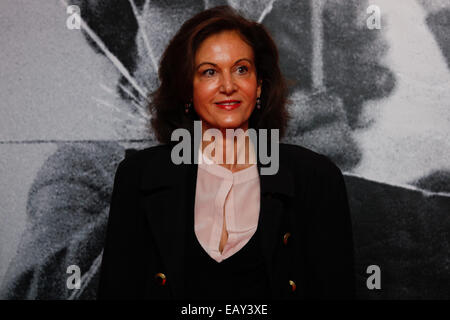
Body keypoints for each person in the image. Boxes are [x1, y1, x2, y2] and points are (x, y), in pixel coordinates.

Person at [97, 5, 355, 300]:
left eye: (241, 69)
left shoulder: (316, 176)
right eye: (209, 72)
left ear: (260, 85)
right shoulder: (134, 177)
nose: (228, 86)